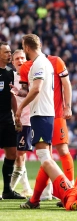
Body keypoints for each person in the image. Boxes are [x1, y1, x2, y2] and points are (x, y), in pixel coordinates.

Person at [17, 47, 74, 200]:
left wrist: (67, 106)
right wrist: (21, 93)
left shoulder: (56, 61)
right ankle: (48, 191)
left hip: (56, 114)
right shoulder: (26, 67)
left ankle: (70, 185)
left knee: (62, 150)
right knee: (45, 154)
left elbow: (66, 84)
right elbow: (27, 89)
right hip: (39, 114)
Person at [15, 34, 55, 203]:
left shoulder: (38, 63)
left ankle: (63, 188)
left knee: (43, 154)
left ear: (27, 48)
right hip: (44, 112)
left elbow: (37, 89)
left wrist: (21, 107)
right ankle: (47, 192)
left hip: (41, 113)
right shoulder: (44, 62)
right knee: (46, 154)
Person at [0, 42, 25, 200]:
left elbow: (11, 97)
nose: (10, 55)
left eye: (10, 52)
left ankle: (7, 190)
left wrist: (16, 116)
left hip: (6, 118)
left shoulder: (9, 72)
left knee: (12, 152)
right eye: (6, 52)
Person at [10, 49, 33, 198]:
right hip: (12, 121)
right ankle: (26, 188)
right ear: (13, 62)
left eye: (22, 58)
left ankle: (9, 188)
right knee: (17, 155)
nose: (20, 60)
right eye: (17, 58)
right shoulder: (10, 77)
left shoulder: (32, 76)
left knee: (20, 154)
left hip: (26, 120)